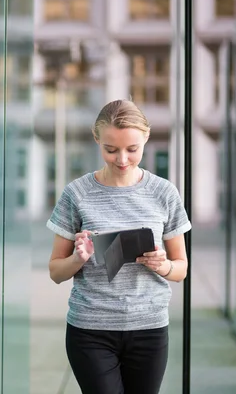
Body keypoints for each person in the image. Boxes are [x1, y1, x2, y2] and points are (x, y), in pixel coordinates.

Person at [47, 99, 191, 394]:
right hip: (90, 331)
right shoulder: (76, 194)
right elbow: (56, 271)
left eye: (132, 149)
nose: (122, 159)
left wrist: (162, 265)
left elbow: (181, 268)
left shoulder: (164, 193)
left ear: (146, 138)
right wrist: (78, 257)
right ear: (97, 138)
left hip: (149, 330)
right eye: (111, 149)